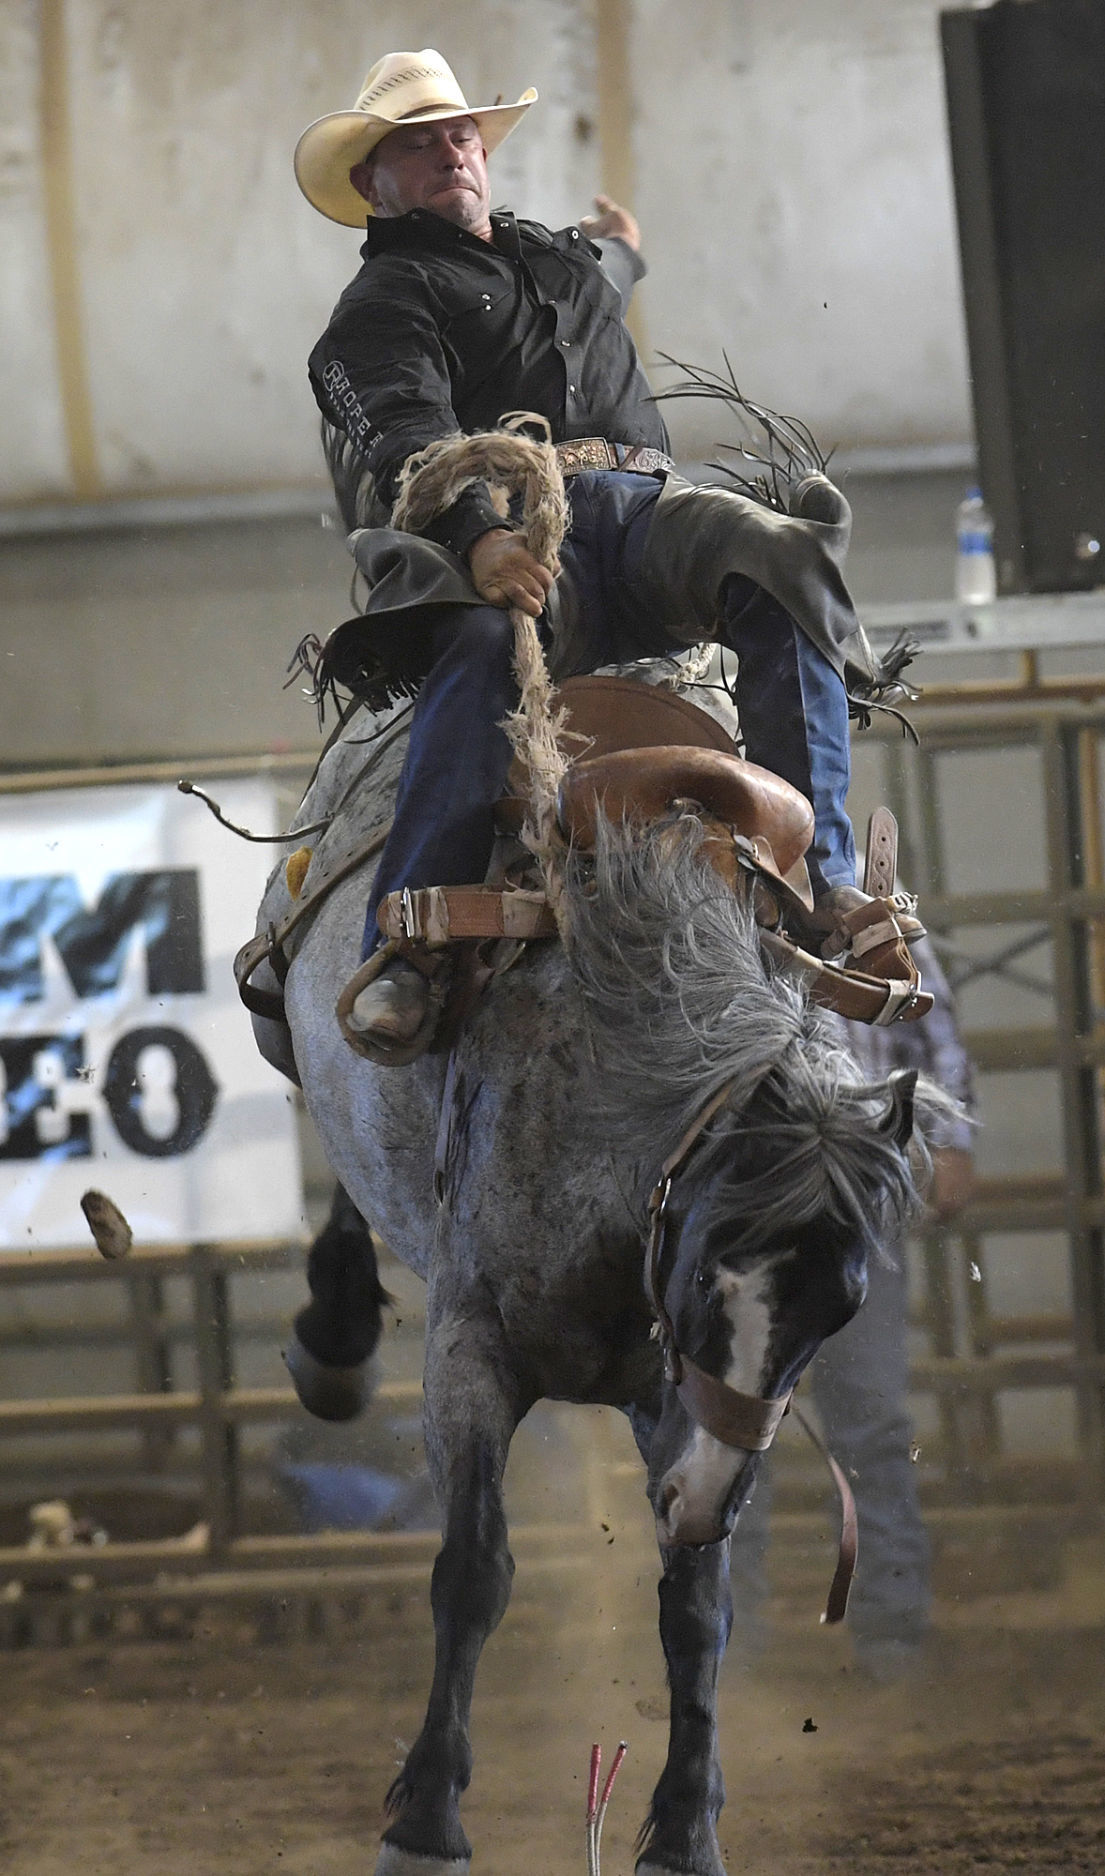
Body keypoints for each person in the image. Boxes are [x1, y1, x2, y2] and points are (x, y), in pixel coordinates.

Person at [293, 48, 922, 1060]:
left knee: (774, 551)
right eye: (419, 144)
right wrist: (480, 535)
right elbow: (405, 425)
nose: (451, 151)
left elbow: (606, 270)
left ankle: (820, 876)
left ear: (483, 153)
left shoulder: (557, 260)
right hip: (528, 524)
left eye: (460, 134)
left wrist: (621, 247)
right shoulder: (382, 304)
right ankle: (406, 940)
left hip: (644, 512)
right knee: (475, 635)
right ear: (374, 184)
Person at [729, 935, 976, 1682]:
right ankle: (727, 1642)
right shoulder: (720, 899)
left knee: (865, 1419)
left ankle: (888, 1631)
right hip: (745, 1207)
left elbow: (932, 1026)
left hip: (849, 1199)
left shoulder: (860, 910)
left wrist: (952, 1137)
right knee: (735, 1428)